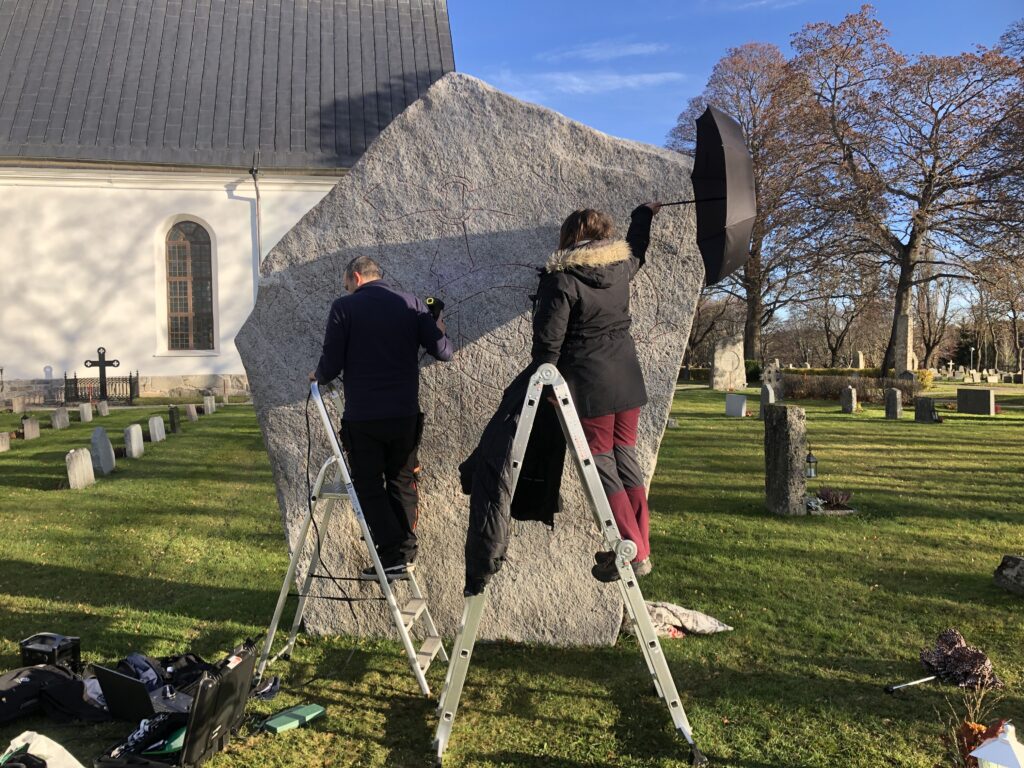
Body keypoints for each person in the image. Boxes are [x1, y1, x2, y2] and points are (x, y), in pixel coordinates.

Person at [531, 202, 661, 582]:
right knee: (625, 456)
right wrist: (643, 215)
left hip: (590, 382)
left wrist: (546, 379)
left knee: (601, 460)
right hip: (627, 376)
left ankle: (629, 547)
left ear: (569, 236)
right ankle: (641, 545)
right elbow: (637, 248)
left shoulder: (562, 279)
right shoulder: (620, 269)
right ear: (604, 235)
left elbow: (549, 340)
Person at [309, 255, 453, 580]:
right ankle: (404, 552)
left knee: (368, 485)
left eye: (346, 283)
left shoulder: (345, 308)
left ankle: (393, 554)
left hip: (364, 417)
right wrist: (438, 328)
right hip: (405, 415)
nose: (346, 288)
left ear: (356, 277)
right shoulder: (413, 304)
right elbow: (444, 352)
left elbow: (331, 364)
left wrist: (317, 375)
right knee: (402, 481)